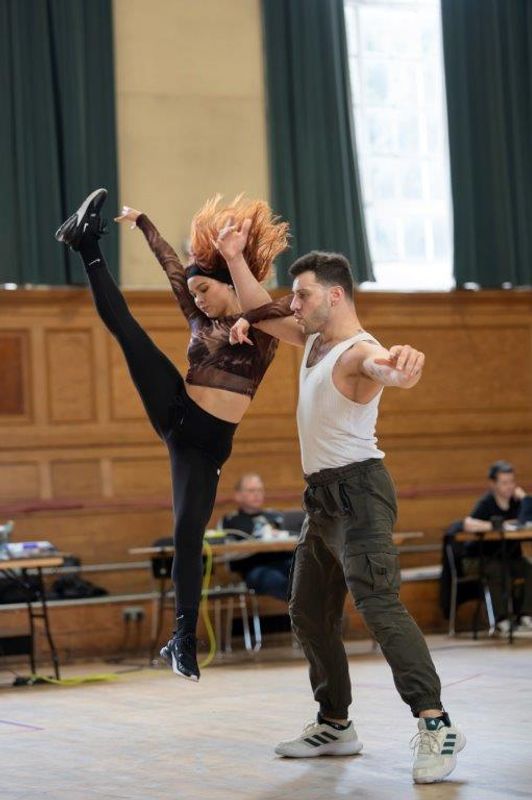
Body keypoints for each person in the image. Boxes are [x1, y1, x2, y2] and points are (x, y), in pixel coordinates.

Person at [216, 244, 465, 784]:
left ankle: (437, 723)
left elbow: (386, 370)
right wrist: (235, 257)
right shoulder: (310, 339)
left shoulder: (358, 351)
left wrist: (402, 369)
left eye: (302, 295)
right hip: (321, 500)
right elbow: (259, 307)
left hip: (360, 495)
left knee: (378, 606)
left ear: (334, 295)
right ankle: (335, 723)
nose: (293, 303)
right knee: (307, 609)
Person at [55, 188, 288, 681]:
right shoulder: (198, 318)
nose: (197, 297)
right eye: (195, 291)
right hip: (178, 413)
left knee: (189, 533)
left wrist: (246, 316)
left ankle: (180, 641)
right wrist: (143, 223)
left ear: (228, 283)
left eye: (205, 290)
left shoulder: (262, 325)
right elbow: (170, 266)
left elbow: (275, 312)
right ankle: (86, 245)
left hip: (207, 446)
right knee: (128, 331)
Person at [463, 460, 532, 634]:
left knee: (529, 567)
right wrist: (494, 526)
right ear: (493, 484)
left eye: (512, 482)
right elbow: (468, 523)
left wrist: (524, 499)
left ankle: (525, 615)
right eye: (504, 483)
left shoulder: (517, 502)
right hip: (485, 558)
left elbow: (525, 522)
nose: (509, 487)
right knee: (497, 570)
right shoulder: (486, 503)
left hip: (510, 557)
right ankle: (501, 619)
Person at [220, 473, 292, 601]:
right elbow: (224, 553)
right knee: (276, 580)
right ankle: (306, 614)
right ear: (238, 495)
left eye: (260, 490)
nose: (257, 494)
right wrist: (255, 543)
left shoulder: (276, 516)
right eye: (251, 490)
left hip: (285, 562)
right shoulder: (230, 521)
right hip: (254, 568)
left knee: (308, 573)